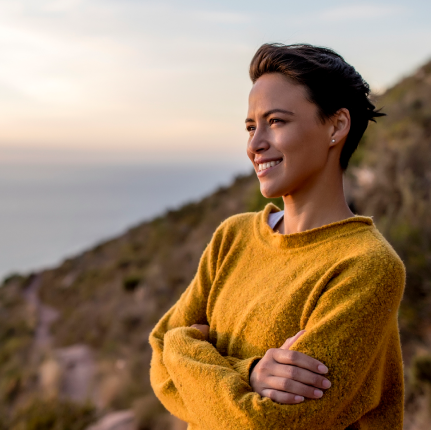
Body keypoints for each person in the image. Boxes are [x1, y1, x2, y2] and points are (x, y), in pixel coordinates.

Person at [148, 43, 406, 429]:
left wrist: (184, 350)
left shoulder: (366, 267)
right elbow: (159, 357)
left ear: (336, 126)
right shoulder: (232, 237)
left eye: (277, 121)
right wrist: (248, 373)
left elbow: (270, 424)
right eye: (251, 126)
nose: (255, 145)